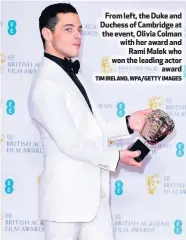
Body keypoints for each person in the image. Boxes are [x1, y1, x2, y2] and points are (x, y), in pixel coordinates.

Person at [27, 3, 152, 240]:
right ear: (47, 33)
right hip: (64, 205)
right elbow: (71, 142)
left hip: (96, 199)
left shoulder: (72, 75)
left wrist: (129, 123)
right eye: (68, 29)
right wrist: (116, 157)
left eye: (80, 29)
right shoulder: (46, 84)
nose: (77, 35)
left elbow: (92, 130)